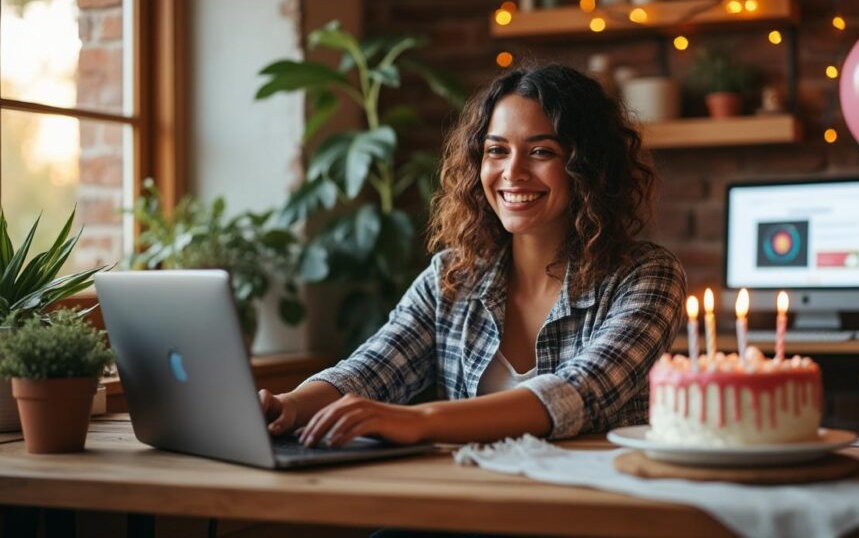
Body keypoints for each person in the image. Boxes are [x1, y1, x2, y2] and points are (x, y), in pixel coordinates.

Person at [259, 64, 687, 447]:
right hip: (472, 504)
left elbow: (579, 392)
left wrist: (419, 420)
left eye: (541, 152)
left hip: (587, 512)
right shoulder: (452, 274)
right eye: (497, 150)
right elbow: (372, 370)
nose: (512, 172)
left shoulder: (646, 277)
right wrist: (290, 405)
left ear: (588, 166)